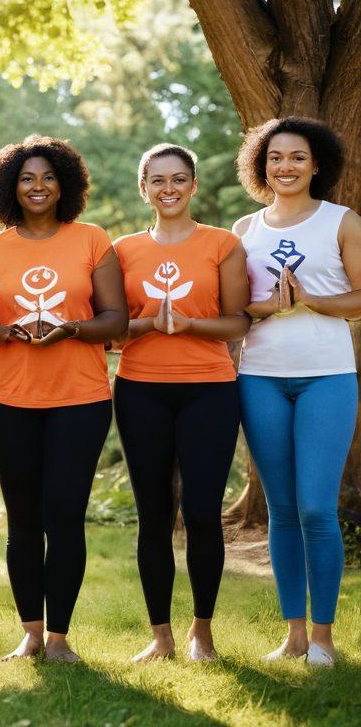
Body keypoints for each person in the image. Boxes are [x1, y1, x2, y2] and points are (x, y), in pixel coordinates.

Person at [0, 135, 127, 663]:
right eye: (26, 178)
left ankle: (60, 638)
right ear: (8, 188)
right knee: (22, 517)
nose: (37, 187)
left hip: (79, 398)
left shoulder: (91, 239)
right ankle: (31, 633)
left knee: (64, 513)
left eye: (47, 177)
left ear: (65, 183)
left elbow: (116, 320)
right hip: (7, 396)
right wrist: (7, 330)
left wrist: (70, 328)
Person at [112, 143, 249, 662]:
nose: (168, 188)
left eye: (179, 179)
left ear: (192, 186)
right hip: (140, 389)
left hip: (210, 389)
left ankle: (202, 633)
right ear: (143, 188)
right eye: (157, 180)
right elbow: (111, 328)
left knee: (202, 512)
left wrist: (191, 324)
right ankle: (161, 637)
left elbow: (238, 321)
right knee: (153, 514)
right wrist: (146, 324)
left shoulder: (222, 244)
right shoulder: (122, 250)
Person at [233, 116, 361, 668]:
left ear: (317, 165)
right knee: (281, 510)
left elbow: (360, 299)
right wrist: (267, 307)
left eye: (297, 158)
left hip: (327, 376)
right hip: (260, 376)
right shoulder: (245, 229)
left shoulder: (342, 221)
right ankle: (292, 633)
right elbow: (237, 310)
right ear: (261, 166)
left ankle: (325, 636)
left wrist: (309, 300)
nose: (285, 167)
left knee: (315, 506)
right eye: (275, 158)